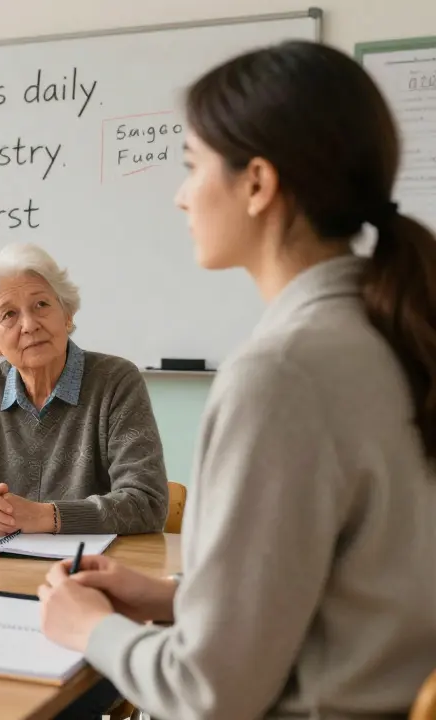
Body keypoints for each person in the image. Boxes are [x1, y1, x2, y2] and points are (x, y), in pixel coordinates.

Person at [38, 41, 436, 719]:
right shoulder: (394, 330)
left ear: (257, 183)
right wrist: (176, 596)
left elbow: (208, 694)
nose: (181, 195)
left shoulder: (283, 372)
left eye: (192, 166)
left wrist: (86, 627)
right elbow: (352, 584)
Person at [0, 242, 169, 537]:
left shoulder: (115, 380)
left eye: (41, 305)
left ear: (67, 315)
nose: (30, 325)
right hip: (0, 566)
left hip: (89, 570)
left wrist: (46, 516)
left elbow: (147, 503)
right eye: (9, 315)